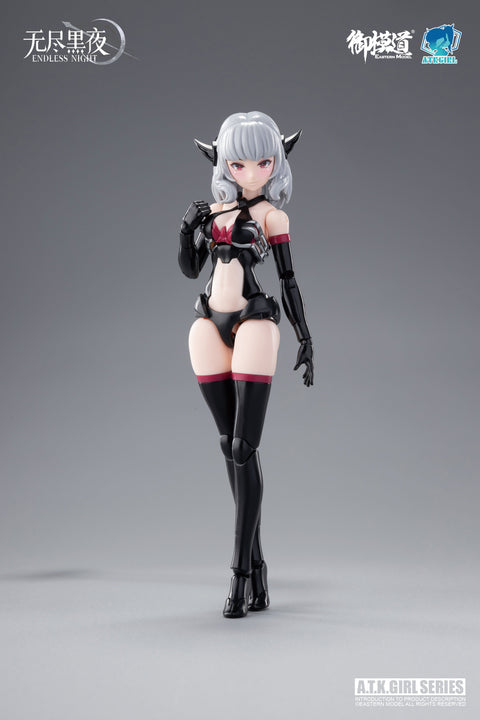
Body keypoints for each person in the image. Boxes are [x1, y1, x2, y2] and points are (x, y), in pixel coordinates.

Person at [178, 111, 314, 618]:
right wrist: (186, 231)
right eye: (238, 163)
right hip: (207, 321)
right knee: (228, 446)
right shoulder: (214, 212)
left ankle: (239, 575)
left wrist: (305, 336)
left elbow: (289, 281)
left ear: (277, 161)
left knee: (243, 446)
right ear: (223, 163)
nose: (251, 173)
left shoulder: (273, 218)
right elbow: (190, 268)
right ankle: (257, 567)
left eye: (263, 162)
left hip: (254, 321)